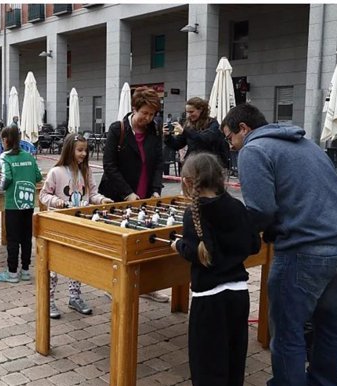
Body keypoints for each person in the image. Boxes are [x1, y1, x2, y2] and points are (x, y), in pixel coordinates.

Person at [221, 103, 337, 386]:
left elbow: (261, 210)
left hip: (304, 248)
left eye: (230, 138)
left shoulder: (253, 150)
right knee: (331, 328)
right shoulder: (306, 144)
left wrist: (237, 233)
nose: (231, 146)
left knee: (288, 331)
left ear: (244, 129)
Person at [171, 152, 260, 386]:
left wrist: (177, 244)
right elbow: (253, 245)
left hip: (208, 299)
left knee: (207, 367)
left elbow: (197, 254)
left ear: (188, 182)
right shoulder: (238, 207)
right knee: (234, 359)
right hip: (239, 295)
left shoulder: (195, 213)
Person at [97, 86, 167, 303]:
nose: (147, 118)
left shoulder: (154, 131)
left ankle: (148, 286)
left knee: (147, 242)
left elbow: (157, 164)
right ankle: (113, 284)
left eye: (152, 114)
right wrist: (127, 193)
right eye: (144, 113)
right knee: (119, 244)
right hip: (118, 194)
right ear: (134, 109)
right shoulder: (118, 129)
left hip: (145, 193)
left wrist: (156, 190)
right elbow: (109, 165)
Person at [39, 133, 113, 318]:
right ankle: (49, 300)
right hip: (58, 225)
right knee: (53, 266)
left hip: (80, 223)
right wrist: (57, 202)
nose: (83, 153)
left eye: (85, 150)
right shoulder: (56, 172)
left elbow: (92, 194)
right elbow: (43, 195)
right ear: (69, 150)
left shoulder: (86, 172)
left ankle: (75, 297)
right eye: (80, 150)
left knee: (78, 262)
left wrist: (102, 199)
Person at [0, 126, 43, 283]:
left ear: (5, 140)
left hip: (12, 203)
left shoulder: (4, 157)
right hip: (28, 203)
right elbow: (38, 177)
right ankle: (26, 271)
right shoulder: (29, 156)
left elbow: (6, 178)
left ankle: (12, 273)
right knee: (26, 238)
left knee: (13, 238)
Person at [164, 97, 230, 169]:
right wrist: (168, 136)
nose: (189, 115)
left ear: (201, 110)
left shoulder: (212, 123)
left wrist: (185, 132)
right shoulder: (188, 125)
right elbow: (177, 144)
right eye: (187, 112)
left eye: (191, 112)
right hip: (192, 164)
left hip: (210, 165)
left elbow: (206, 139)